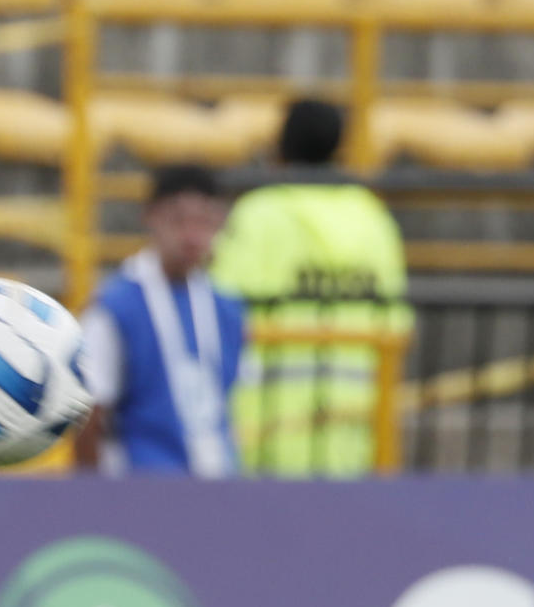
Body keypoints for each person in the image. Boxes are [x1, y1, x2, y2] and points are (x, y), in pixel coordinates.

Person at [210, 99, 410, 477]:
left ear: (281, 145)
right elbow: (395, 323)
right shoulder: (372, 217)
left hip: (266, 433)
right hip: (352, 431)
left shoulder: (260, 214)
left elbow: (220, 310)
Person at [72, 165, 246, 478]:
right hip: (140, 492)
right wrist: (91, 497)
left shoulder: (227, 309)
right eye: (179, 220)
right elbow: (90, 413)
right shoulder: (113, 307)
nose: (192, 235)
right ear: (150, 217)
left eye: (203, 221)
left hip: (218, 490)